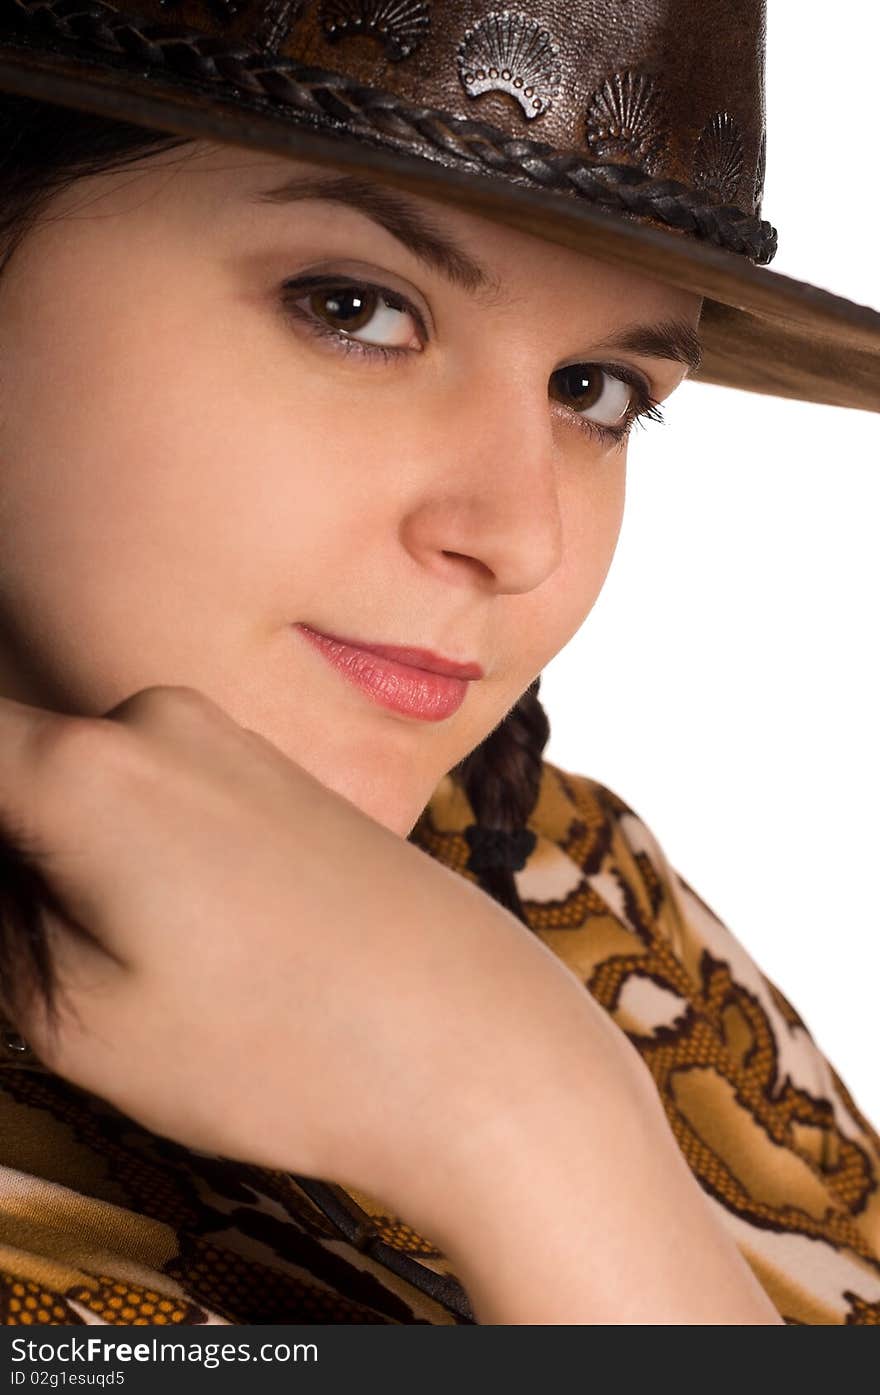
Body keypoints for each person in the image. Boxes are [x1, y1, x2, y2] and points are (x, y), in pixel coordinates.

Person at [0, 0, 877, 1328]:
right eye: (355, 308)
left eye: (595, 391)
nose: (520, 537)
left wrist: (537, 1128)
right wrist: (526, 1132)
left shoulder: (570, 879)